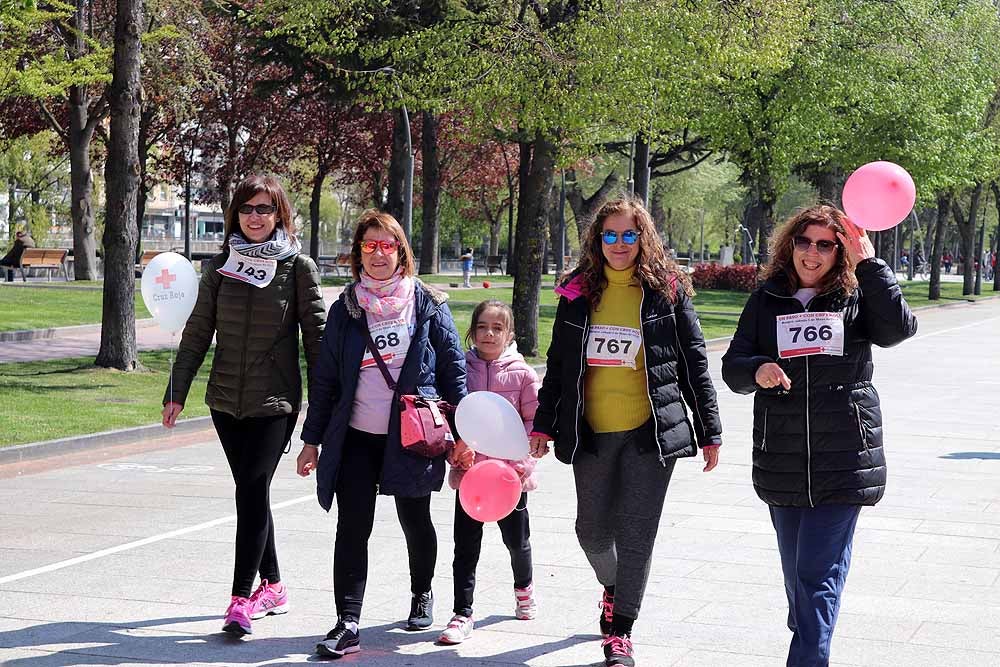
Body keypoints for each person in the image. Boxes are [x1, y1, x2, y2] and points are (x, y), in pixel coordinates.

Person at [529, 196, 722, 667]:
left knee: (637, 534)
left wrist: (709, 429)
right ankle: (615, 587)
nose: (619, 243)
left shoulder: (666, 290)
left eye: (629, 234)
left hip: (651, 432)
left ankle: (621, 631)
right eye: (610, 235)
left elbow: (695, 360)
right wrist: (543, 422)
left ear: (643, 239)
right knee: (591, 531)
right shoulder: (577, 292)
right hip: (591, 429)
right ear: (598, 240)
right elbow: (557, 366)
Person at [721, 205, 917, 667]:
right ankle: (811, 629)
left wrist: (870, 265)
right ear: (790, 245)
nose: (812, 252)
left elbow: (898, 330)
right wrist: (758, 369)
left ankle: (808, 654)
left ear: (840, 250)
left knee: (816, 575)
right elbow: (733, 367)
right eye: (804, 241)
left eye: (825, 244)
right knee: (797, 576)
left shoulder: (856, 294)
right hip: (783, 456)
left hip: (846, 455)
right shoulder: (767, 298)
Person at [296, 209, 467, 658]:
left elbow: (454, 372)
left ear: (401, 253)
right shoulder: (346, 309)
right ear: (358, 254)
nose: (377, 254)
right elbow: (326, 379)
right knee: (353, 527)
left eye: (386, 245)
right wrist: (311, 439)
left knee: (416, 519)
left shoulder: (428, 304)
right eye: (368, 246)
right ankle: (348, 622)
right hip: (355, 436)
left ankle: (422, 591)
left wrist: (465, 434)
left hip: (412, 437)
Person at [161, 174, 327, 635]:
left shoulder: (298, 268)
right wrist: (176, 391)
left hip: (275, 402)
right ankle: (273, 584)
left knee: (251, 492)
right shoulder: (219, 267)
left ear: (280, 215)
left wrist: (320, 411)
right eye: (248, 209)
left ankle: (239, 600)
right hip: (224, 401)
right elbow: (197, 333)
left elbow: (317, 342)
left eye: (265, 209)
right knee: (252, 493)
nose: (256, 217)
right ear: (236, 213)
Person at [438, 299, 541, 645]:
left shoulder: (523, 374)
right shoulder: (458, 369)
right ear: (472, 331)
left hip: (511, 480)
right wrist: (454, 449)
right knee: (465, 546)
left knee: (517, 541)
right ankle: (461, 612)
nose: (489, 333)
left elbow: (534, 423)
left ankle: (524, 588)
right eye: (482, 326)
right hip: (471, 478)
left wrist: (520, 466)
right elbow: (448, 413)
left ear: (510, 333)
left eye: (498, 328)